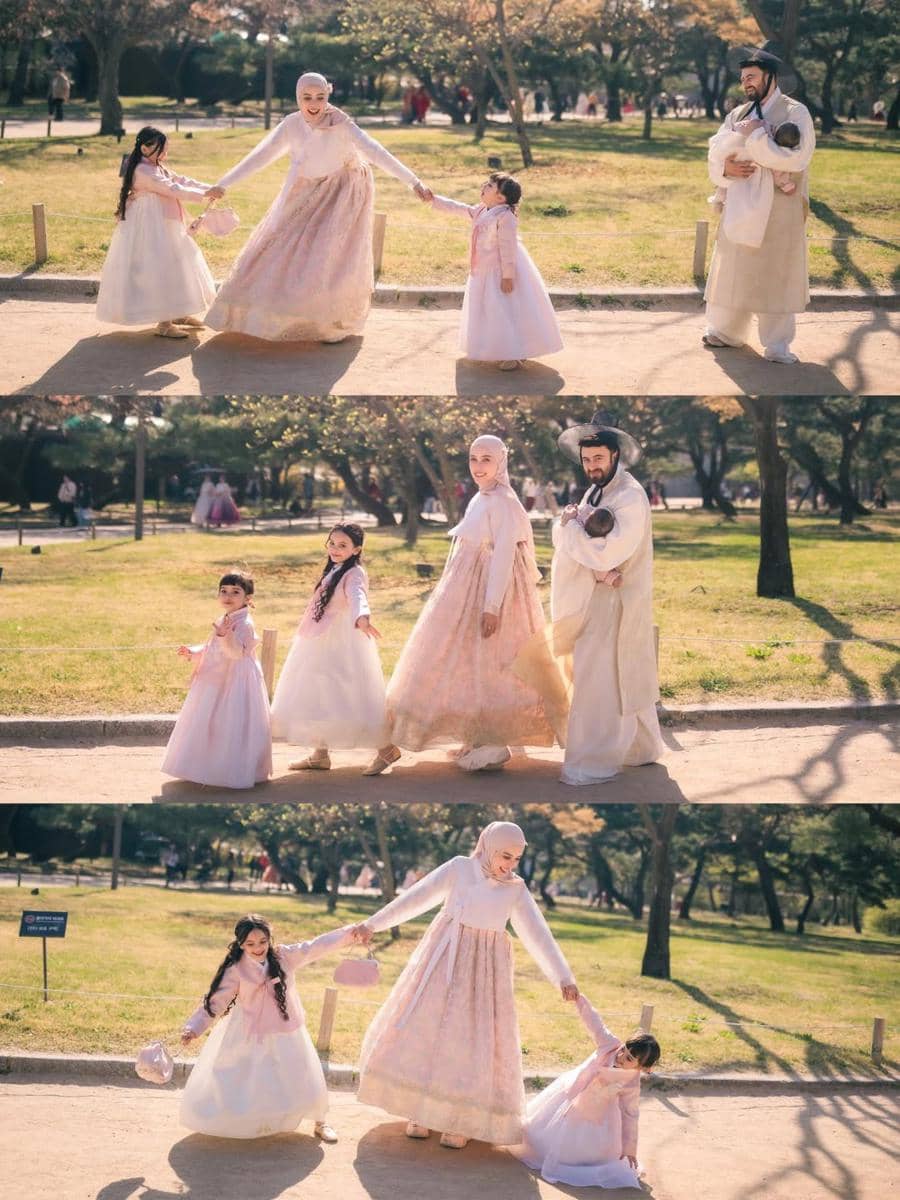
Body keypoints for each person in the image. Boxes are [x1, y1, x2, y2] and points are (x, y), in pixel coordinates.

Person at [352, 822, 578, 1149]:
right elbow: (418, 897)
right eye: (505, 855)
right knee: (426, 1027)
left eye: (516, 858)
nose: (509, 864)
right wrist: (374, 924)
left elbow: (537, 934)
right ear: (487, 846)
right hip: (442, 959)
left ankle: (459, 1119)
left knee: (470, 1039)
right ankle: (421, 1111)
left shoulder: (515, 889)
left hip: (484, 973)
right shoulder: (459, 868)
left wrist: (563, 977)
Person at [369, 435, 556, 775]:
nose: (479, 467)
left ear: (501, 462)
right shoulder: (481, 498)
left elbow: (502, 556)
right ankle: (477, 732)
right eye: (473, 459)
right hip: (465, 589)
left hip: (489, 591)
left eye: (487, 459)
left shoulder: (504, 502)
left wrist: (493, 605)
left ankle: (496, 739)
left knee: (496, 660)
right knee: (466, 659)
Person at [204, 72, 430, 342]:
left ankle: (333, 324)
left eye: (320, 97)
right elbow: (261, 156)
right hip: (305, 188)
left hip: (343, 190)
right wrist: (225, 183)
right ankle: (258, 313)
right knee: (277, 245)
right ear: (298, 97)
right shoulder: (291, 124)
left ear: (328, 96)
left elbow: (376, 151)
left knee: (329, 254)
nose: (314, 104)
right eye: (307, 97)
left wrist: (413, 182)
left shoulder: (342, 124)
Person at [545, 415, 664, 785]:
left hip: (618, 599)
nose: (591, 466)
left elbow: (604, 554)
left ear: (614, 455)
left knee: (603, 678)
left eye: (598, 458)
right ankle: (641, 749)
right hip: (596, 595)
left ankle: (592, 759)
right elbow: (574, 535)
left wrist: (568, 531)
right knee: (613, 674)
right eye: (586, 460)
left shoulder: (630, 496)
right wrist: (569, 529)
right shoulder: (596, 493)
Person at [180, 914, 354, 1140]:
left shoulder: (284, 957)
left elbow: (316, 946)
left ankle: (320, 1122)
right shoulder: (236, 968)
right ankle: (251, 1122)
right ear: (240, 943)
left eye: (263, 941)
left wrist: (350, 934)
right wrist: (194, 1027)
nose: (258, 948)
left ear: (270, 938)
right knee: (245, 1078)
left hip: (287, 1030)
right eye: (250, 944)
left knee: (301, 1074)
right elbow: (216, 1001)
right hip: (249, 1031)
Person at [703, 48, 816, 364]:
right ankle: (725, 332)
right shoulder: (738, 114)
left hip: (780, 207)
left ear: (770, 76)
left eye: (751, 77)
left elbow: (796, 158)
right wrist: (726, 171)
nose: (746, 84)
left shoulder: (796, 112)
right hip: (739, 204)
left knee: (775, 274)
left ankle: (777, 343)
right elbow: (715, 152)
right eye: (742, 79)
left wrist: (755, 141)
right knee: (733, 270)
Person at [270, 524, 396, 774]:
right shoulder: (335, 569)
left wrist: (362, 617)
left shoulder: (355, 573)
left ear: (356, 549)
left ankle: (387, 749)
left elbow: (358, 596)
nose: (335, 549)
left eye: (343, 546)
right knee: (317, 692)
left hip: (341, 642)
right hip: (318, 639)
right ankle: (320, 753)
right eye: (332, 543)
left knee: (348, 693)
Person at [512, 992, 660, 1187]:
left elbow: (630, 1114)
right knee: (538, 1135)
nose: (622, 1055)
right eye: (625, 1048)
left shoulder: (631, 1083)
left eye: (630, 1059)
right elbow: (594, 1022)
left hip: (598, 1114)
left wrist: (630, 1148)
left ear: (641, 1068)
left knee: (579, 1150)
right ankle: (539, 1145)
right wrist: (579, 999)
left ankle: (573, 1159)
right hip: (575, 1093)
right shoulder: (609, 1045)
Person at [419, 172, 563, 370]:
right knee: (488, 311)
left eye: (490, 186)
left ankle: (512, 352)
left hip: (499, 271)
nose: (484, 187)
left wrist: (508, 277)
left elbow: (508, 248)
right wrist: (434, 199)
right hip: (482, 270)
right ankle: (494, 347)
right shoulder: (481, 210)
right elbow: (460, 209)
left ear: (501, 198)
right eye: (486, 183)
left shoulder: (505, 217)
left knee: (503, 310)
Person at [96, 127, 216, 339]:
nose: (165, 154)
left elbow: (181, 181)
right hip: (151, 226)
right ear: (145, 148)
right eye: (162, 150)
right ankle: (164, 322)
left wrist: (210, 188)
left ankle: (178, 311)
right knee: (161, 268)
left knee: (178, 264)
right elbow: (171, 188)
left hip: (166, 223)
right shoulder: (143, 171)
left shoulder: (155, 166)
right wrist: (205, 194)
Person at [161, 570, 272, 789]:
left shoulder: (245, 624)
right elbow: (213, 648)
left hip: (236, 679)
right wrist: (194, 652)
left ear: (248, 598)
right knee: (210, 720)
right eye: (224, 591)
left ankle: (231, 769)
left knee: (231, 720)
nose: (228, 596)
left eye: (235, 592)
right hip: (217, 677)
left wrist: (225, 636)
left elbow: (236, 653)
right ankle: (206, 766)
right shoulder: (225, 618)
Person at [708, 118, 803, 248]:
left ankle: (718, 199)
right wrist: (786, 185)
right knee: (739, 184)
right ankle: (720, 200)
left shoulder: (765, 124)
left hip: (736, 147)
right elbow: (777, 171)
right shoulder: (769, 146)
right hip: (743, 152)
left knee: (732, 180)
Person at [559, 504, 622, 588]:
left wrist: (573, 512)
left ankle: (610, 577)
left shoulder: (579, 525)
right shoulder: (582, 525)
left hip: (578, 568)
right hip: (587, 565)